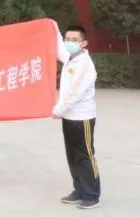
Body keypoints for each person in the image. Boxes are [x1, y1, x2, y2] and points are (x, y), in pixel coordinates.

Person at [54, 25, 100, 209]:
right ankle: (79, 190)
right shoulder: (70, 58)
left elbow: (75, 93)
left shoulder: (85, 65)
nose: (69, 43)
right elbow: (59, 48)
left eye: (74, 40)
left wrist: (58, 110)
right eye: (67, 39)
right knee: (72, 155)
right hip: (69, 117)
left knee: (85, 156)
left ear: (84, 43)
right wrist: (52, 27)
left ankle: (92, 195)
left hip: (83, 118)